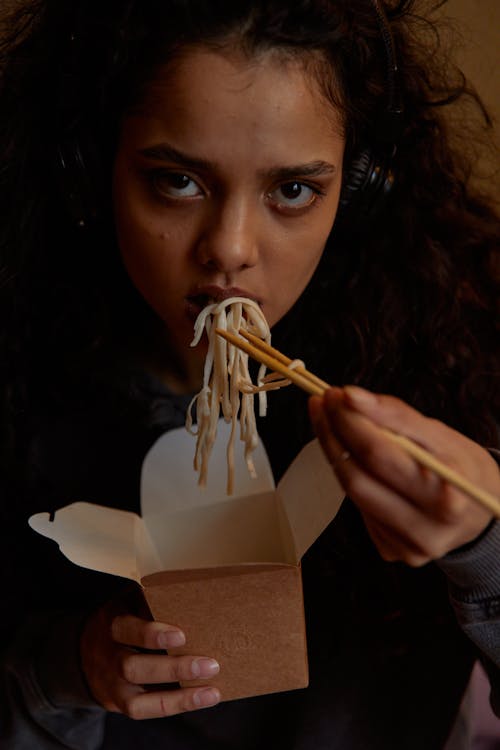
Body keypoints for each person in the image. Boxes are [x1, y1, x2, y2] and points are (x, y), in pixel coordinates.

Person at [0, 0, 498, 748]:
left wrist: (487, 540)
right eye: (176, 181)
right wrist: (67, 670)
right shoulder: (25, 385)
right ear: (89, 170)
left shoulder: (465, 354)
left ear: (360, 194)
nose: (230, 249)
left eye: (293, 191)